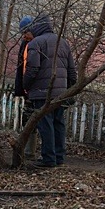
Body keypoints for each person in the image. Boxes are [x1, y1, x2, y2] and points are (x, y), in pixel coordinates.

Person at [22, 14, 77, 168]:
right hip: (61, 93)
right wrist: (70, 89)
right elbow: (72, 71)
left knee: (46, 125)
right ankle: (59, 157)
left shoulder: (36, 43)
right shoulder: (63, 42)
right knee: (59, 124)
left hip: (42, 92)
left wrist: (26, 86)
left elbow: (32, 69)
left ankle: (48, 159)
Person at [14, 16, 38, 160]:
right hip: (27, 87)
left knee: (35, 119)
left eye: (26, 32)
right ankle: (28, 151)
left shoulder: (38, 43)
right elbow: (20, 67)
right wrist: (20, 88)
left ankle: (31, 151)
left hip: (36, 87)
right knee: (27, 118)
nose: (24, 36)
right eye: (22, 33)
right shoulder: (25, 43)